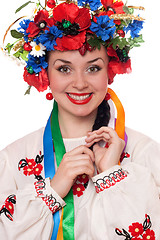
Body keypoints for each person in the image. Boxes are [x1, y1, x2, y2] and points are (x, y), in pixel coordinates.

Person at [0, 0, 160, 239]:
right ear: (44, 74)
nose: (80, 83)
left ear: (110, 70)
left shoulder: (144, 152)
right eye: (64, 69)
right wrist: (52, 190)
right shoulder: (13, 159)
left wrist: (111, 175)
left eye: (93, 68)